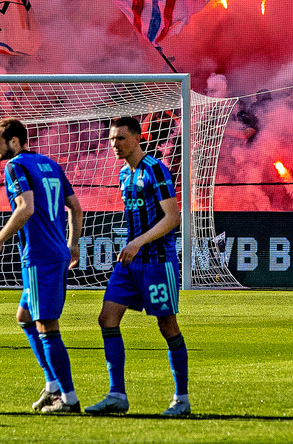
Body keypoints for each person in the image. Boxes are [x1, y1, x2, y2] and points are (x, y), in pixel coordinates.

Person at [85, 116, 191, 418]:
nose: (114, 144)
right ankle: (117, 394)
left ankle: (181, 398)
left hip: (156, 262)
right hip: (130, 264)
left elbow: (173, 217)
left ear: (137, 138)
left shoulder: (155, 169)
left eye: (120, 138)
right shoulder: (123, 174)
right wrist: (132, 246)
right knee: (107, 319)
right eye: (111, 139)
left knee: (167, 326)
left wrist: (138, 242)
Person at [0, 118, 83, 414]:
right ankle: (52, 385)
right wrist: (73, 244)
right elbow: (76, 208)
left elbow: (25, 207)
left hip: (40, 256)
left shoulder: (15, 166)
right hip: (56, 251)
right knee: (25, 316)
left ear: (14, 141)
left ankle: (68, 398)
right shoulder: (50, 164)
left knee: (47, 326)